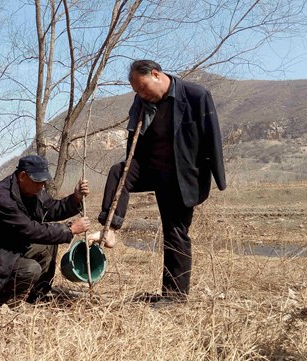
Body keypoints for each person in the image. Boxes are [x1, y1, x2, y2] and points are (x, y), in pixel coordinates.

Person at [96, 60, 226, 302]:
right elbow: (135, 136)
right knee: (119, 172)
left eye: (144, 88)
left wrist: (216, 179)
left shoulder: (196, 95)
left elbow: (212, 137)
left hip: (182, 176)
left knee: (176, 232)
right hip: (151, 168)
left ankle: (174, 297)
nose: (142, 94)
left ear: (156, 74)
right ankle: (110, 228)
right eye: (137, 92)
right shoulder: (142, 103)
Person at [0, 155, 91, 305]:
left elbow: (50, 209)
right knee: (30, 269)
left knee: (49, 243)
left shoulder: (33, 190)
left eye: (44, 182)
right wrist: (69, 230)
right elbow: (30, 230)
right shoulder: (2, 199)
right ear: (23, 176)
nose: (42, 186)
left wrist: (75, 198)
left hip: (11, 246)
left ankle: (37, 294)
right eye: (38, 182)